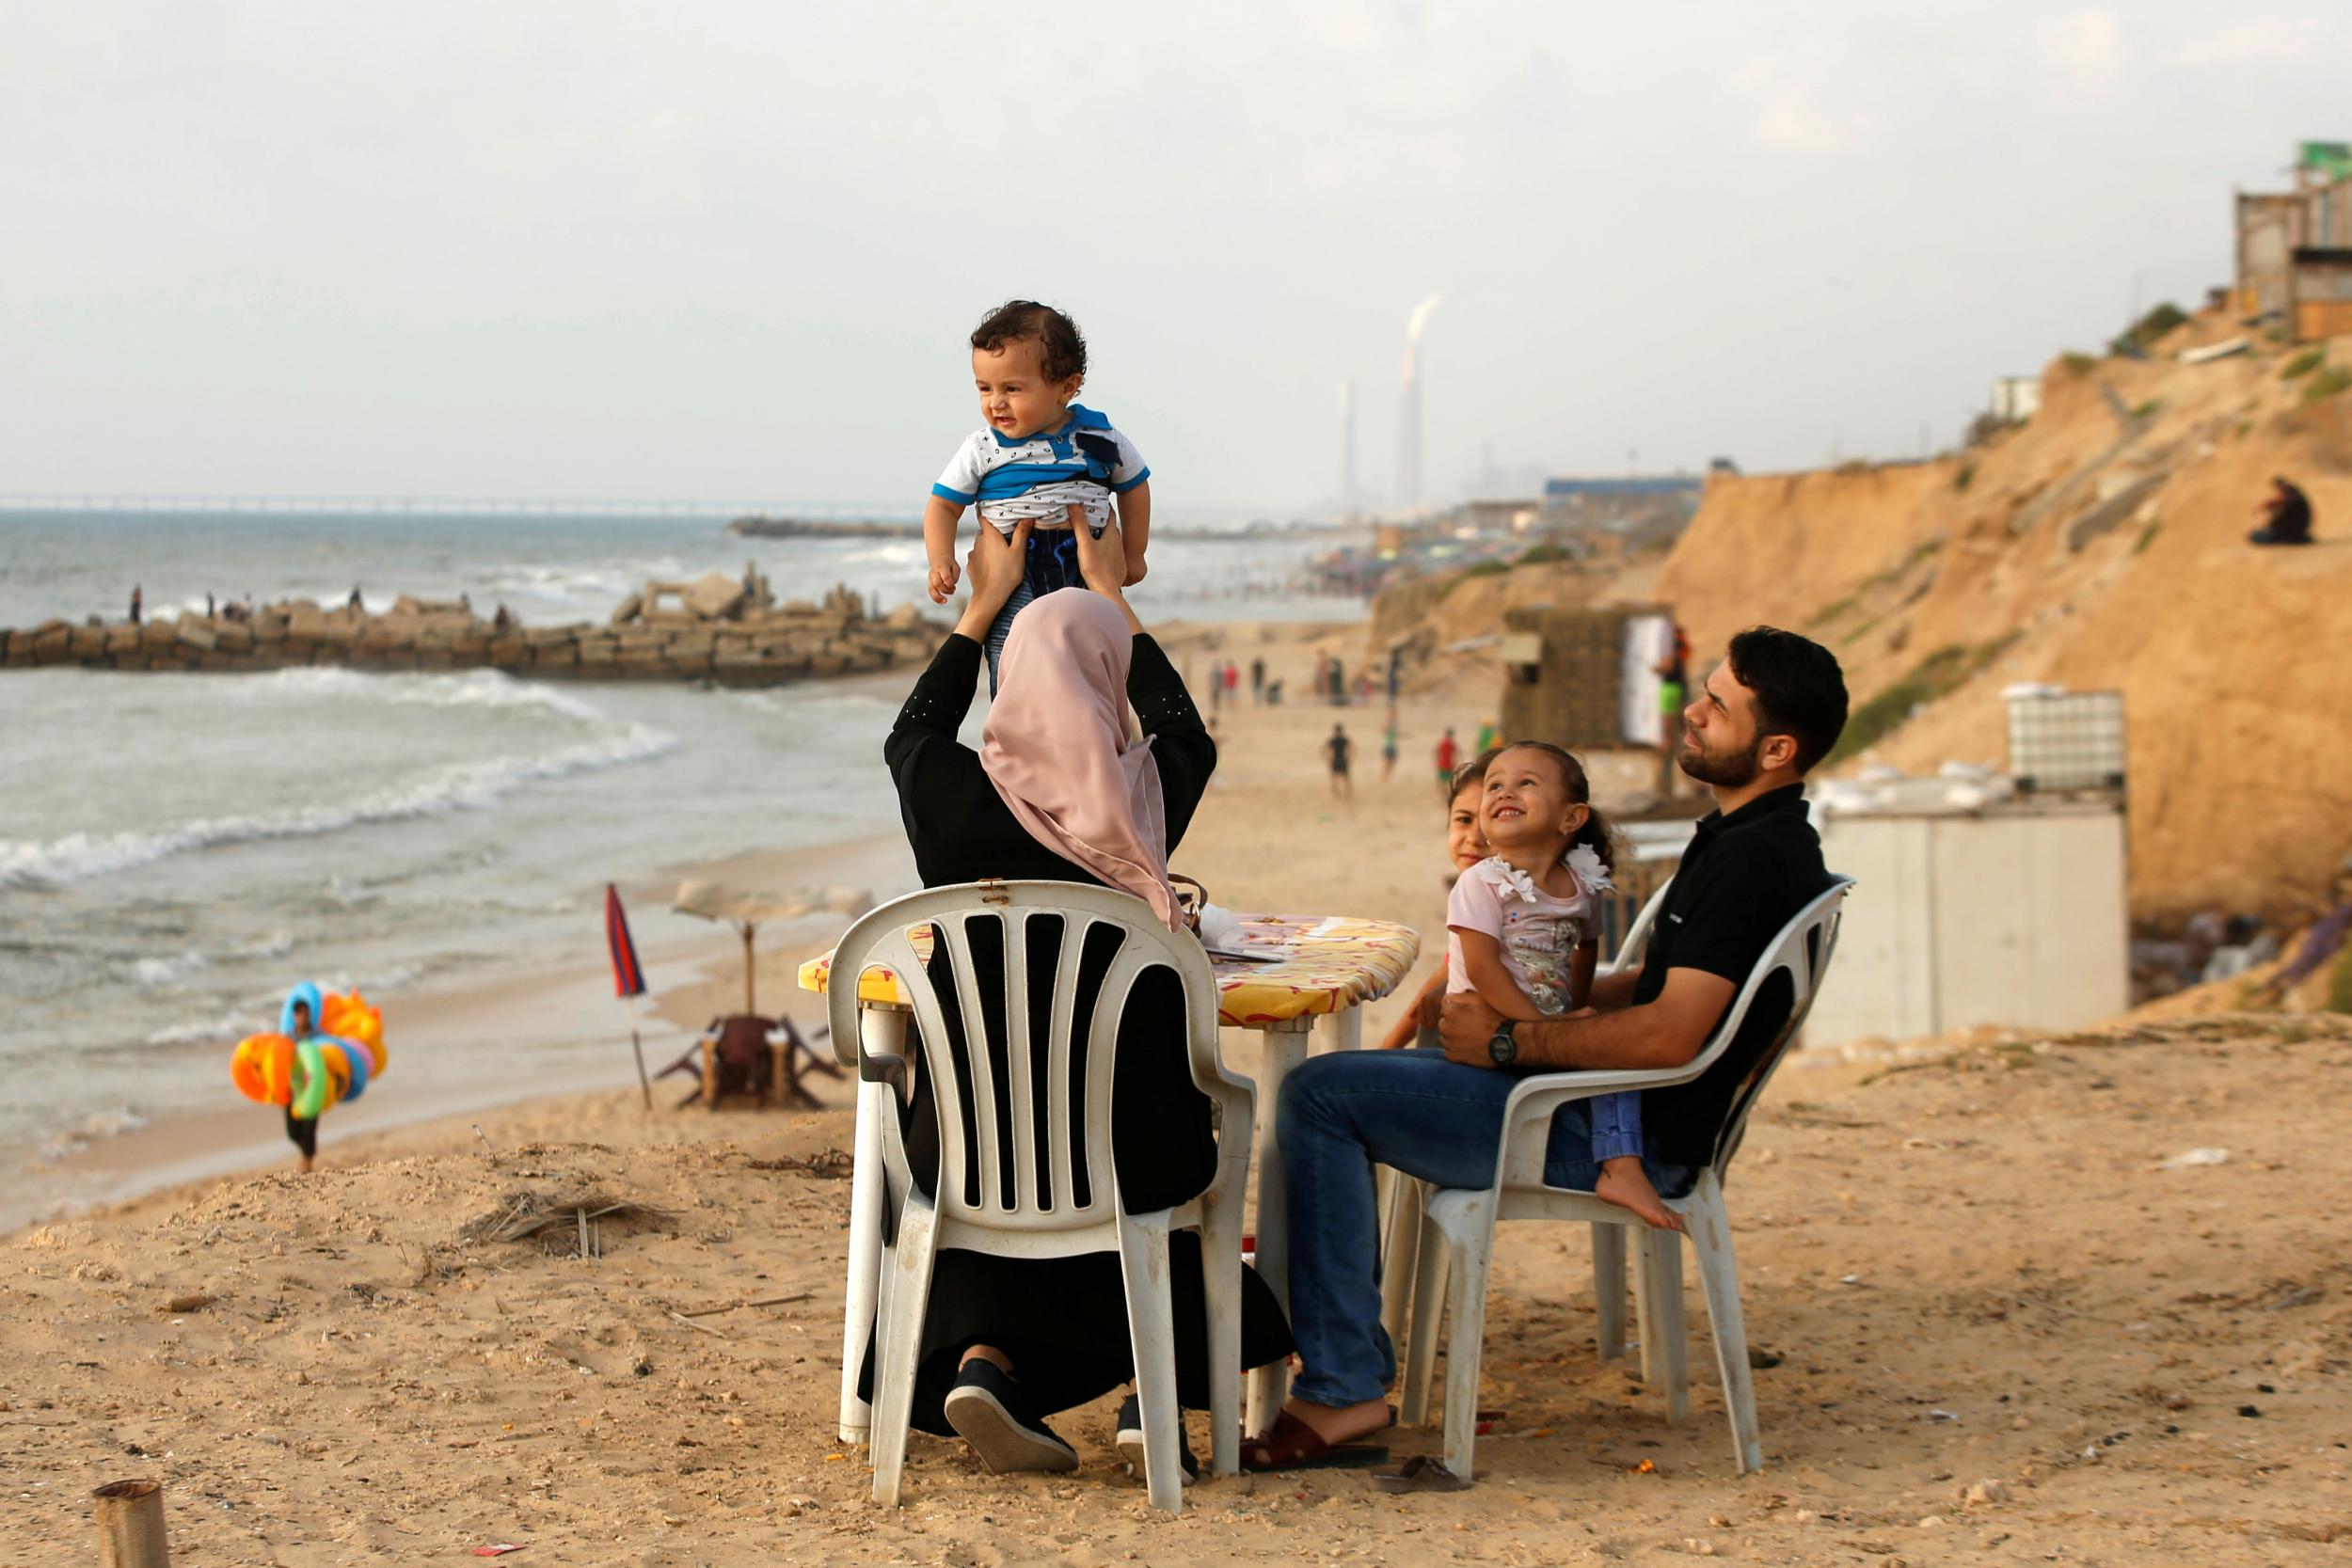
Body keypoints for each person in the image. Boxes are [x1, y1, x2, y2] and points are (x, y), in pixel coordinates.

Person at [1245, 626, 1848, 1470]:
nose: (1695, 712)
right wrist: (1535, 1014)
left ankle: (1341, 1388)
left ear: (1778, 747)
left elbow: (1674, 1030)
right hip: (1607, 1100)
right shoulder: (1744, 837)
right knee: (1348, 1082)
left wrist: (1512, 1039)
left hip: (1609, 1127)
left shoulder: (1755, 860)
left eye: (1718, 706)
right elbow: (1651, 987)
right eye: (1703, 693)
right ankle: (1328, 1346)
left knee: (1317, 1097)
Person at [871, 506, 1290, 1479]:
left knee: (1003, 1124)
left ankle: (988, 1359)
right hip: (1134, 1154)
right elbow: (1185, 726)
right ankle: (1156, 1385)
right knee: (1151, 1134)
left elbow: (914, 726)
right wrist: (1113, 596)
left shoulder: (942, 791)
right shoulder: (1148, 796)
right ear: (1105, 690)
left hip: (966, 1147)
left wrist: (980, 606)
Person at [1447, 743, 1674, 1229]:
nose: (1504, 790)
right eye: (1495, 785)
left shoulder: (1581, 886)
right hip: (1493, 1037)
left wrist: (1578, 1006)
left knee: (1615, 1052)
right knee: (1594, 1047)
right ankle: (1615, 1157)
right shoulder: (1481, 884)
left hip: (1547, 1032)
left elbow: (1587, 947)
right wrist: (1541, 1028)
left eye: (1526, 782)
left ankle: (1621, 1166)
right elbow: (1483, 969)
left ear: (1571, 818)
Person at [923, 300, 1152, 690]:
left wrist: (1134, 552)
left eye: (1012, 389)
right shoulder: (982, 448)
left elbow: (1134, 487)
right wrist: (940, 558)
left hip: (1086, 566)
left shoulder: (1098, 436)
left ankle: (1097, 730)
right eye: (985, 388)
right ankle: (1015, 734)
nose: (995, 402)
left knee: (1096, 657)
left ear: (1066, 387)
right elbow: (943, 505)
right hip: (1014, 569)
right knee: (1010, 654)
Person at [1377, 755, 1496, 1050]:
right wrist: (1391, 1044)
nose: (1474, 838)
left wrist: (1452, 991)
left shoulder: (1517, 903)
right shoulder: (1475, 892)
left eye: (1490, 823)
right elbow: (1449, 968)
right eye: (1464, 820)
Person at [281, 983, 324, 1175]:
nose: (304, 1017)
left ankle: (307, 1163)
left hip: (312, 1086)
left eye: (307, 1014)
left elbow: (328, 1055)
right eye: (301, 1014)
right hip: (293, 1088)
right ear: (294, 1016)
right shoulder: (288, 1038)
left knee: (309, 1128)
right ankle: (306, 1156)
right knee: (292, 1131)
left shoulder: (318, 1036)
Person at [2249, 476, 2314, 546]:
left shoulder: (2291, 498)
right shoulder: (2293, 497)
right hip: (2292, 531)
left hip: (2287, 532)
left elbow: (2277, 502)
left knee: (2256, 535)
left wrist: (2263, 507)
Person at [1325, 723, 1354, 800]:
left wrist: (1327, 758)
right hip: (1343, 759)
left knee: (1334, 777)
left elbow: (1324, 749)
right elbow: (1352, 748)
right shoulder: (1344, 739)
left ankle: (1336, 793)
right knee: (1346, 777)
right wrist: (1350, 757)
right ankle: (1347, 792)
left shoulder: (1333, 740)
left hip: (1335, 760)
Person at [1433, 727, 1460, 804]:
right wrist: (1456, 763)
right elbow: (1456, 753)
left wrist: (1436, 761)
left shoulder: (1442, 742)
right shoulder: (1452, 744)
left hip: (1441, 764)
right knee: (1449, 783)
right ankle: (1446, 799)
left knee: (1441, 782)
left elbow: (1436, 751)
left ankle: (1442, 799)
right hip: (1449, 765)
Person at [1380, 713, 1399, 783]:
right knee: (1387, 762)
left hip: (1392, 745)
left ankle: (1386, 777)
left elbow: (1395, 735)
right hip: (1387, 746)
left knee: (1392, 761)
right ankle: (1384, 777)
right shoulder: (1388, 723)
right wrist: (1388, 723)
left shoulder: (1394, 725)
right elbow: (1383, 730)